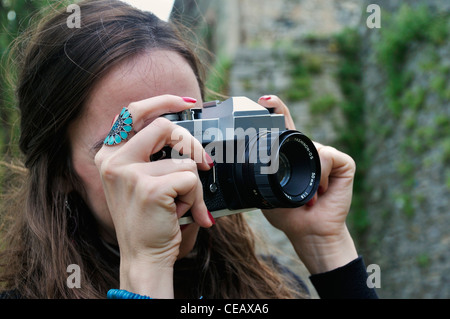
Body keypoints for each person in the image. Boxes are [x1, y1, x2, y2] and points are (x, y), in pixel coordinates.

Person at [0, 0, 377, 299]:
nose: (181, 164)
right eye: (137, 142)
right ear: (62, 170)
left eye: (189, 128)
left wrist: (325, 246)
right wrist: (146, 270)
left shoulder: (274, 286)